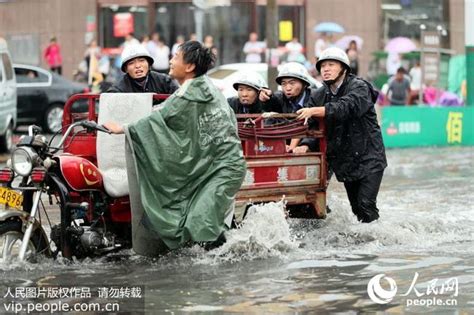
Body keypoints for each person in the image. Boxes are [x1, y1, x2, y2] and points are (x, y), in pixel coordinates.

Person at [103, 41, 246, 254]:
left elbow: (160, 118)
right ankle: (227, 257)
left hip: (222, 169)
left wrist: (123, 128)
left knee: (201, 222)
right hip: (214, 166)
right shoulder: (197, 87)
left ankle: (234, 260)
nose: (170, 61)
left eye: (176, 57)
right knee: (197, 223)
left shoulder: (192, 92)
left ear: (189, 67)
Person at [295, 47, 387, 223]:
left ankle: (378, 243)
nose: (326, 69)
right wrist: (306, 144)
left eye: (331, 65)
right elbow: (313, 127)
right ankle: (364, 242)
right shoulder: (319, 94)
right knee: (356, 209)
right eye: (322, 66)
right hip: (345, 160)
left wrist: (317, 110)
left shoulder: (359, 87)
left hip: (369, 157)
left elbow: (347, 107)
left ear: (344, 68)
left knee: (366, 204)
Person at [259, 62, 323, 153]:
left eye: (292, 83)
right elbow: (271, 103)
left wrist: (306, 145)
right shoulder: (280, 98)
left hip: (308, 148)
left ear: (304, 84)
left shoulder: (315, 98)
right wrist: (266, 98)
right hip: (283, 149)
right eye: (284, 84)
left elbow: (314, 126)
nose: (288, 88)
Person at [107, 44, 178, 94]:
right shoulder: (119, 88)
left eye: (142, 61)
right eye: (131, 63)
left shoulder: (164, 81)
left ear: (149, 64)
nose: (137, 66)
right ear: (126, 69)